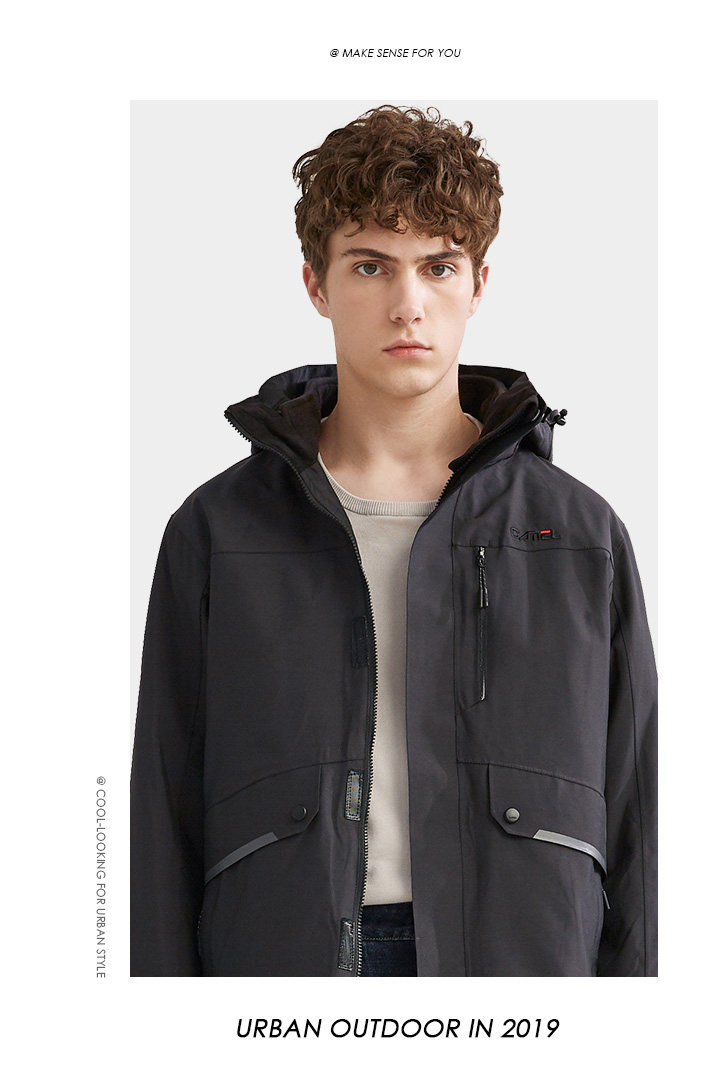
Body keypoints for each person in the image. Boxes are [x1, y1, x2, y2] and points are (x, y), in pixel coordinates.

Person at [130, 104, 657, 977]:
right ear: (316, 284)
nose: (407, 304)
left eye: (438, 266)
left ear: (478, 284)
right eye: (370, 265)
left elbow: (641, 813)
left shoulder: (578, 533)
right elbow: (159, 809)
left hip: (521, 969)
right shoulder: (219, 529)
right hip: (284, 971)